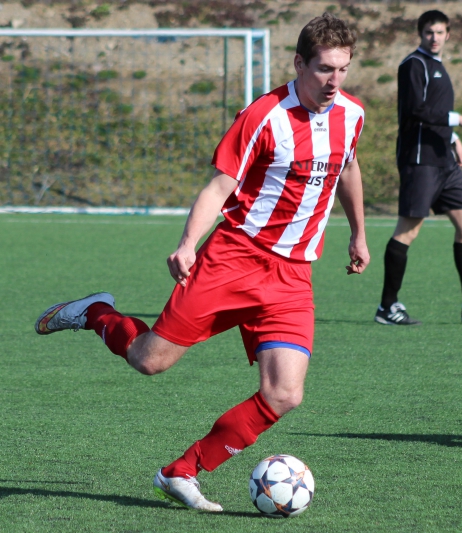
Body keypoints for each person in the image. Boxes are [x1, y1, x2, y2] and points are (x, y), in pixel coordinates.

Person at [34, 13, 369, 512]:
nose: (334, 81)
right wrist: (189, 242)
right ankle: (95, 313)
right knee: (149, 361)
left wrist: (359, 233)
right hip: (234, 258)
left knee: (284, 394)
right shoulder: (263, 116)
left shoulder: (352, 114)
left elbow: (348, 167)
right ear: (299, 63)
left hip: (293, 276)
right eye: (324, 69)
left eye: (342, 69)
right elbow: (220, 186)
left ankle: (182, 471)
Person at [373, 9, 462, 326]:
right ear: (420, 34)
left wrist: (454, 139)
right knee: (408, 230)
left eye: (439, 32)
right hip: (420, 160)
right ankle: (387, 307)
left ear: (448, 34)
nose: (434, 38)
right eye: (429, 32)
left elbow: (436, 111)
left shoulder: (438, 66)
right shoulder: (413, 65)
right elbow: (416, 110)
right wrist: (459, 120)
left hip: (444, 161)